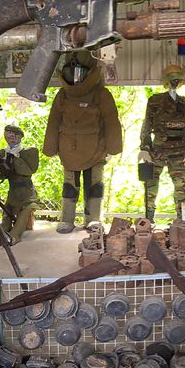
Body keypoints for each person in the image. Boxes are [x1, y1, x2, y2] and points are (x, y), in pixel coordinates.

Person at [43, 51, 121, 233]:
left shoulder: (101, 95)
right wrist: (51, 147)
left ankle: (93, 219)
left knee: (95, 186)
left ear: (91, 72)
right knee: (69, 186)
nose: (75, 77)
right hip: (69, 149)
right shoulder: (62, 96)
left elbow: (111, 122)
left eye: (79, 72)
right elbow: (53, 122)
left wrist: (113, 147)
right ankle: (67, 219)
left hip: (96, 149)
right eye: (72, 72)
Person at [139, 64, 185, 221]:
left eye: (178, 79)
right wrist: (144, 148)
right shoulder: (155, 101)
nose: (174, 82)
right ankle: (148, 221)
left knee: (182, 190)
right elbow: (147, 126)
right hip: (157, 150)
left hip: (180, 151)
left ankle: (183, 221)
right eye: (172, 79)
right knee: (150, 188)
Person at [0, 124, 39, 244]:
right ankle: (4, 235)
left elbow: (28, 171)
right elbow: (2, 175)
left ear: (20, 137)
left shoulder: (29, 152)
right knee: (6, 217)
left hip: (27, 193)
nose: (11, 137)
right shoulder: (3, 153)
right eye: (8, 134)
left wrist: (14, 157)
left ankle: (15, 236)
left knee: (26, 210)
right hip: (13, 193)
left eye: (14, 135)